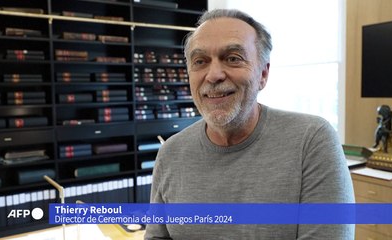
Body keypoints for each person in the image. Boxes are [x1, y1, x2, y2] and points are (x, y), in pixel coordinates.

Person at [145, 9, 355, 240]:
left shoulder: (312, 140)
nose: (213, 75)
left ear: (263, 74)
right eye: (200, 61)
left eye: (233, 58)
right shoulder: (170, 153)